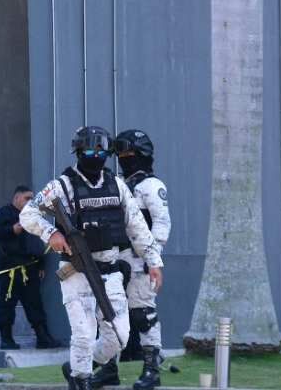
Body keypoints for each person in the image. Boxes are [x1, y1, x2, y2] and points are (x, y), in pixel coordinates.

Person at [20, 126, 163, 390]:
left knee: (120, 336)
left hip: (109, 271)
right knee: (83, 335)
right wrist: (51, 233)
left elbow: (136, 226)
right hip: (76, 272)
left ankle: (77, 368)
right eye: (87, 150)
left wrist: (153, 261)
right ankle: (81, 379)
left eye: (99, 150)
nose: (93, 155)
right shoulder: (62, 185)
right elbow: (28, 214)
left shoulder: (116, 184)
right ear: (77, 151)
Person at [113, 129, 171, 390]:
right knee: (109, 314)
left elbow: (161, 223)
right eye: (121, 154)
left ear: (142, 154)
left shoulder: (151, 186)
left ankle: (151, 370)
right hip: (115, 258)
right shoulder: (115, 182)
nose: (125, 158)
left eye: (129, 153)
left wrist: (153, 257)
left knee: (143, 315)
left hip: (141, 258)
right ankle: (107, 368)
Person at [0, 185, 62, 349]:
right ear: (16, 198)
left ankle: (43, 337)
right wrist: (11, 230)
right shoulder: (3, 213)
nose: (30, 201)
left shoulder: (33, 215)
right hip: (11, 267)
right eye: (27, 198)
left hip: (30, 266)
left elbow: (38, 241)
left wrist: (41, 263)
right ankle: (6, 339)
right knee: (7, 303)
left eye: (32, 198)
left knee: (34, 302)